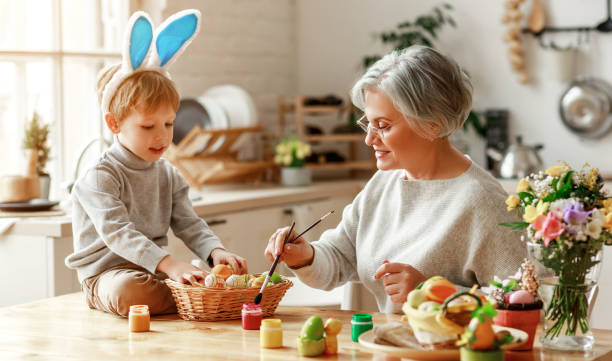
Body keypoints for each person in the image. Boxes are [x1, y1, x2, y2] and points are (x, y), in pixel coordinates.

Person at [265, 45, 526, 313]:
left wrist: (434, 292)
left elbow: (523, 302)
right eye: (368, 123)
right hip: (382, 350)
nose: (369, 138)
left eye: (383, 126)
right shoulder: (384, 182)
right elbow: (340, 258)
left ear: (432, 124)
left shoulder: (483, 202)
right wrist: (304, 256)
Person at [65, 10, 247, 317]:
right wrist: (172, 265)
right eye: (148, 127)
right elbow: (118, 233)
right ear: (114, 123)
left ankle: (191, 293)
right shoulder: (100, 177)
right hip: (107, 278)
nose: (162, 136)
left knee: (158, 286)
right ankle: (194, 297)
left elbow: (190, 223)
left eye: (169, 123)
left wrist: (215, 252)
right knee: (127, 292)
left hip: (155, 273)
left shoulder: (168, 174)